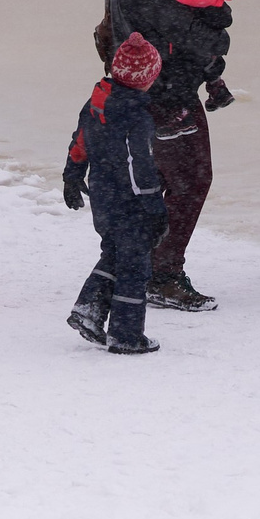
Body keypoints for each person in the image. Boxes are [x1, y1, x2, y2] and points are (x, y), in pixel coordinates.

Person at [100, 0, 230, 312]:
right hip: (164, 95)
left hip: (143, 90)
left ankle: (142, 266)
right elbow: (183, 28)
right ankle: (161, 273)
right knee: (192, 181)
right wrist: (219, 33)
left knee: (157, 186)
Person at [62, 32, 168, 354]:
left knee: (115, 253)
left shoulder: (98, 102)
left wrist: (72, 176)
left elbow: (80, 141)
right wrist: (155, 208)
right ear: (147, 79)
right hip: (131, 203)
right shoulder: (136, 116)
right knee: (135, 266)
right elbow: (140, 168)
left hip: (104, 197)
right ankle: (126, 334)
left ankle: (89, 310)